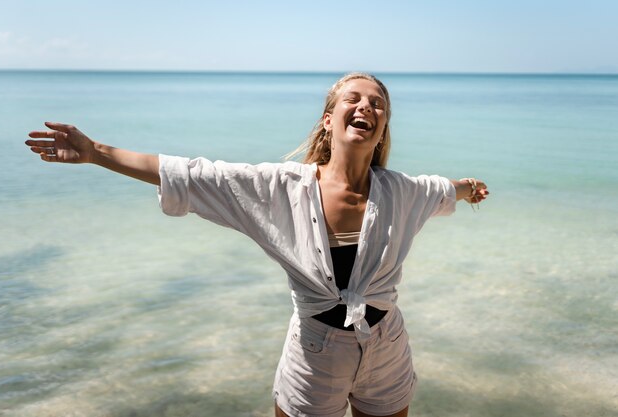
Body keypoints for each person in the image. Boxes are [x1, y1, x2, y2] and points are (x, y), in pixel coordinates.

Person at [25, 72, 489, 417]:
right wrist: (95, 153)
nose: (366, 106)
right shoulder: (279, 188)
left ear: (382, 128)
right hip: (315, 354)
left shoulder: (403, 190)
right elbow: (192, 174)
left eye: (377, 103)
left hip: (387, 345)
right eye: (354, 98)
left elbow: (444, 189)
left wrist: (470, 187)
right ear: (329, 120)